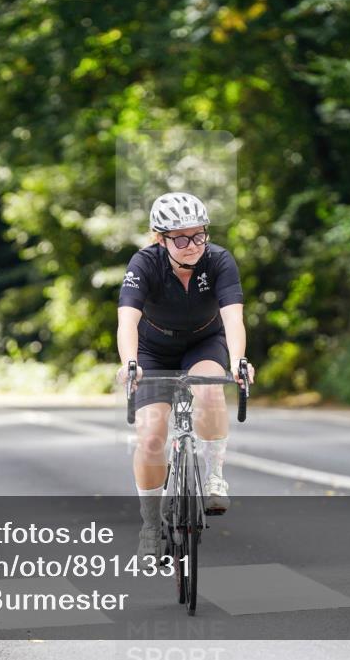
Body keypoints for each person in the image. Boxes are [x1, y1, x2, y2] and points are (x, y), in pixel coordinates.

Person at [116, 192, 256, 559]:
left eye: (199, 235)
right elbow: (127, 320)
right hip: (153, 350)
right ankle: (150, 523)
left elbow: (233, 318)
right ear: (160, 238)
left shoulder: (219, 260)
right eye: (181, 238)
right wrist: (131, 363)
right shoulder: (144, 263)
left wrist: (240, 360)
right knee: (150, 437)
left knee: (209, 392)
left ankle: (213, 474)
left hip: (204, 343)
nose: (192, 245)